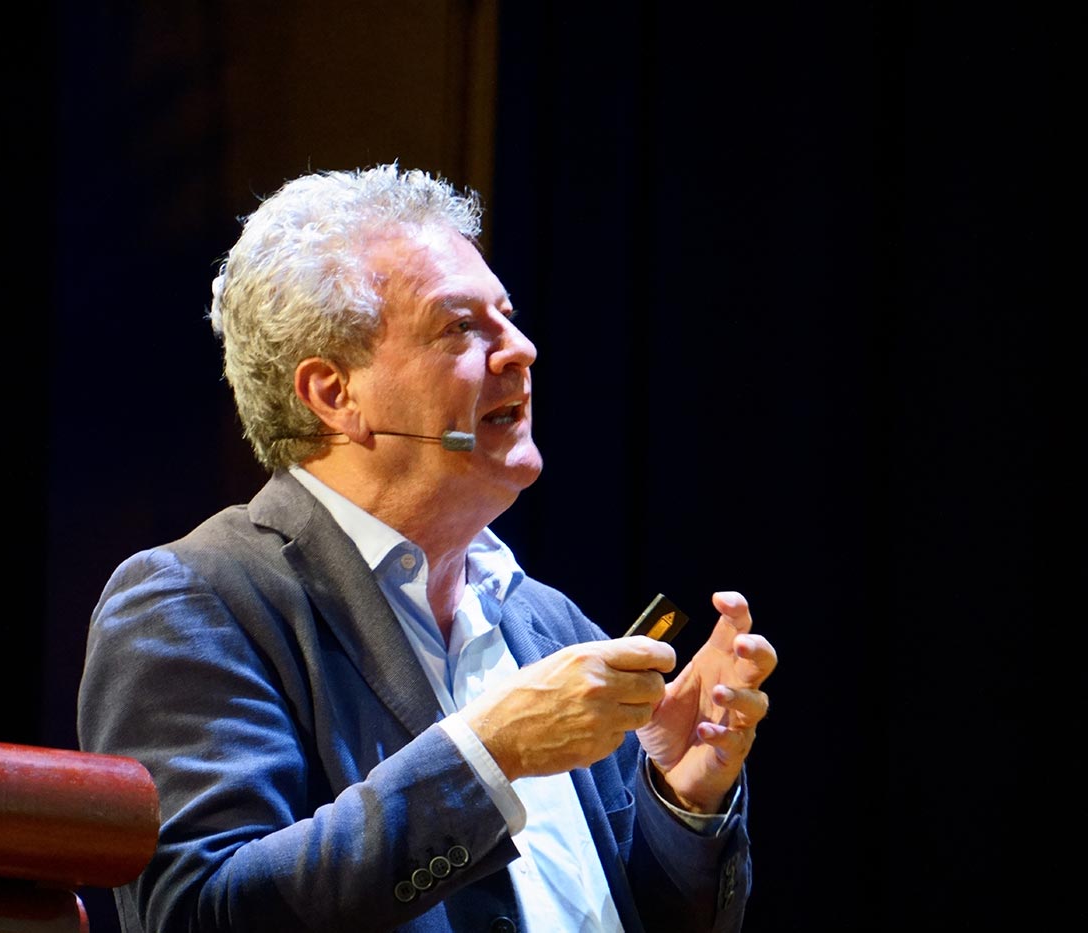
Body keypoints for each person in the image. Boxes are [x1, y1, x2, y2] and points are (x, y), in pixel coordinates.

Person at [76, 163, 777, 933]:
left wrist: (682, 800)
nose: (522, 350)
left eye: (507, 316)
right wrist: (485, 752)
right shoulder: (197, 601)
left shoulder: (546, 620)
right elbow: (200, 914)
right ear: (335, 395)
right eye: (460, 327)